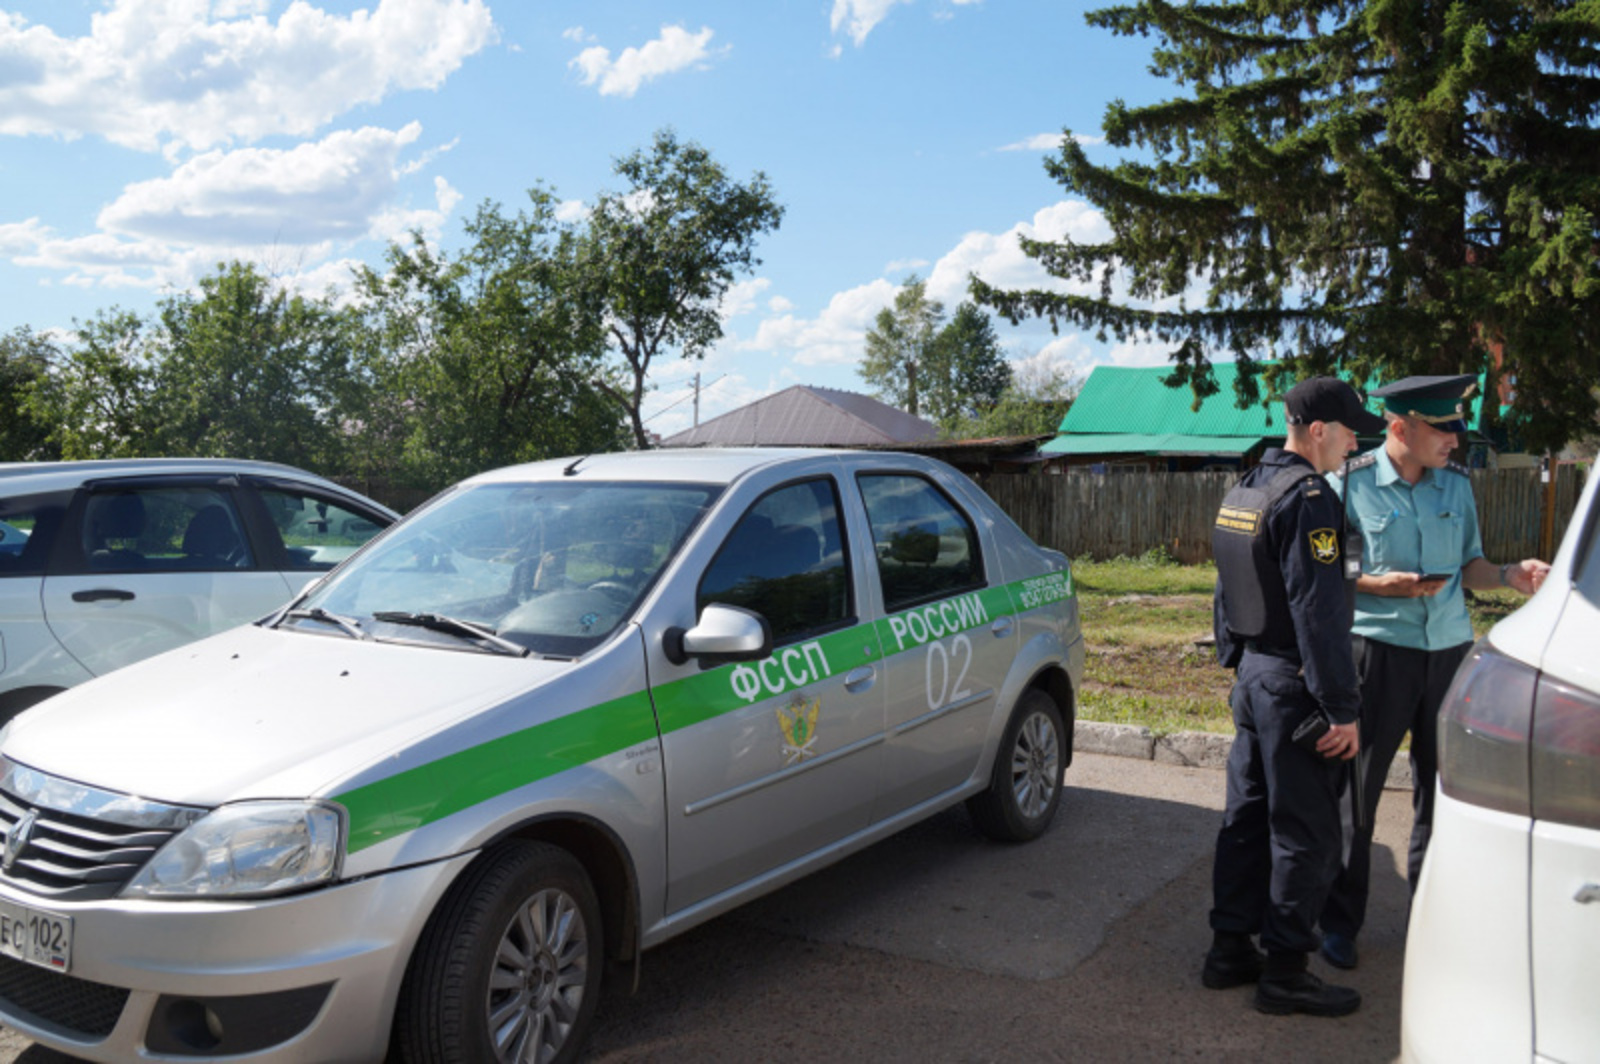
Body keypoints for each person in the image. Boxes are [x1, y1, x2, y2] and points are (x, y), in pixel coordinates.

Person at [1317, 375, 1551, 970]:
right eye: (1444, 428)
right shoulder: (1347, 486)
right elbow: (1331, 575)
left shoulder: (1456, 486)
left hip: (1448, 653)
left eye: (1456, 427)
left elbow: (1469, 563)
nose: (1455, 439)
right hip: (1377, 654)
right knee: (1358, 794)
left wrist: (1508, 575)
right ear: (1402, 428)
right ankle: (1340, 923)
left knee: (1440, 792)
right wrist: (1379, 585)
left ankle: (1431, 915)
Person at [1203, 376, 1385, 1017]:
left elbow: (1226, 587)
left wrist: (1237, 664)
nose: (1355, 441)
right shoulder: (1308, 498)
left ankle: (1229, 951)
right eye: (1348, 430)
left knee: (1246, 820)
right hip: (1294, 686)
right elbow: (1319, 610)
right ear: (1316, 431)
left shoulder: (1247, 487)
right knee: (1305, 833)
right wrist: (1341, 706)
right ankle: (1284, 972)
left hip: (1253, 679)